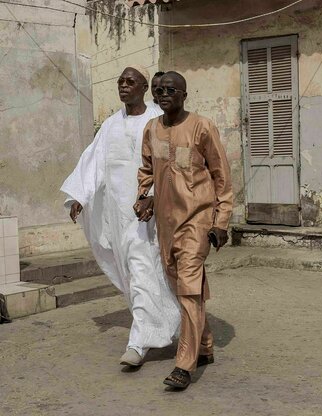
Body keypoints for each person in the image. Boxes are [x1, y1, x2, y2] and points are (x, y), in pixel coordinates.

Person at [61, 65, 180, 367]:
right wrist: (79, 196)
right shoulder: (111, 125)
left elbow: (172, 163)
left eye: (131, 82)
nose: (124, 86)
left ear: (143, 87)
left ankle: (138, 342)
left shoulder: (157, 120)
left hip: (150, 213)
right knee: (133, 274)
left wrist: (155, 196)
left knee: (144, 270)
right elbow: (93, 162)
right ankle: (168, 326)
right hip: (118, 214)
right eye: (120, 82)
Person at [134, 71, 233, 390]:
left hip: (197, 220)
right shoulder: (151, 129)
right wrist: (144, 197)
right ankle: (204, 346)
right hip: (166, 224)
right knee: (182, 286)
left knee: (189, 287)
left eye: (170, 90)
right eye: (158, 90)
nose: (162, 94)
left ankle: (184, 364)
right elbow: (147, 171)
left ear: (184, 95)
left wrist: (221, 222)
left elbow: (222, 178)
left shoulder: (202, 127)